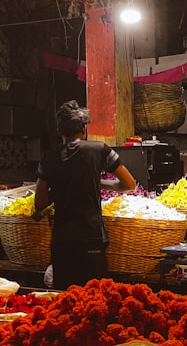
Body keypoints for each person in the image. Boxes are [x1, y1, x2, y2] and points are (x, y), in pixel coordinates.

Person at [32, 100, 136, 290]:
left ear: (59, 131)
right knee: (94, 298)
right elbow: (129, 184)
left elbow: (40, 202)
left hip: (62, 240)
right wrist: (98, 183)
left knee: (66, 297)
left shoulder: (48, 158)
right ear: (84, 129)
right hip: (91, 237)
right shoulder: (99, 150)